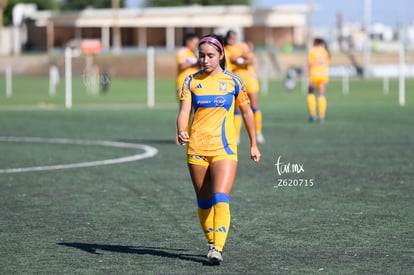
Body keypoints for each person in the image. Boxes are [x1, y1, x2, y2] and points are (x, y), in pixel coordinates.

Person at [176, 34, 261, 265]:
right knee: (203, 202)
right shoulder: (191, 81)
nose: (205, 60)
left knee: (221, 197)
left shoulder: (234, 81)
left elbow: (247, 112)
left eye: (210, 56)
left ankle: (217, 248)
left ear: (221, 55)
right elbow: (184, 111)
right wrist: (182, 129)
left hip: (224, 148)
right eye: (201, 55)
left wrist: (253, 143)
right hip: (197, 148)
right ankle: (211, 241)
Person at [224, 30, 265, 144]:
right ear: (227, 39)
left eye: (234, 38)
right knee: (237, 108)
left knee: (254, 106)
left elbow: (250, 60)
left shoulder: (242, 46)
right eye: (230, 38)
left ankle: (258, 132)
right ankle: (236, 136)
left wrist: (239, 59)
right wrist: (240, 59)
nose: (233, 40)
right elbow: (230, 60)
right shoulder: (225, 49)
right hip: (236, 80)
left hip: (249, 78)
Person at [307, 37, 330, 123]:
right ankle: (321, 117)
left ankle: (313, 115)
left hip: (314, 75)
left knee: (311, 93)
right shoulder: (325, 51)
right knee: (321, 95)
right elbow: (327, 64)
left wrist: (309, 77)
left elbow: (310, 64)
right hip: (323, 76)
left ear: (316, 42)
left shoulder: (312, 51)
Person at [175, 32, 200, 98]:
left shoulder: (194, 53)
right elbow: (182, 66)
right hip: (183, 84)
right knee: (184, 107)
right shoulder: (183, 51)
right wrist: (194, 61)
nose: (196, 46)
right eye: (195, 44)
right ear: (188, 42)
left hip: (194, 84)